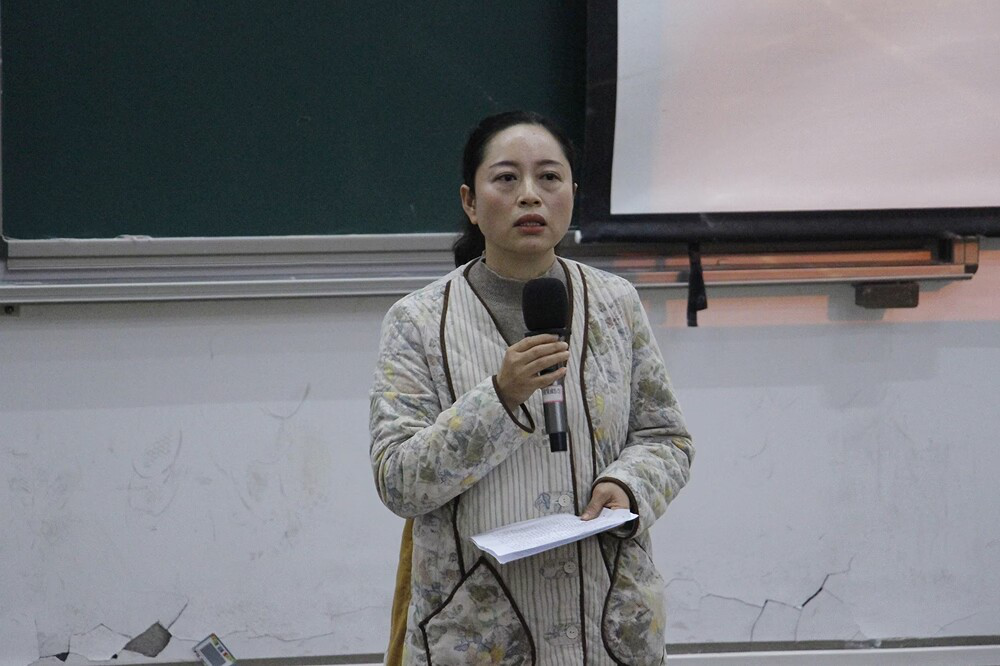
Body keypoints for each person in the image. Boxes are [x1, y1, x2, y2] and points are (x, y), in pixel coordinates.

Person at [370, 110, 694, 665]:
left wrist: (627, 486)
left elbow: (667, 438)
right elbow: (398, 481)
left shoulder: (615, 303)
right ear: (471, 202)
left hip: (608, 625)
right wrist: (499, 398)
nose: (529, 195)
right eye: (506, 178)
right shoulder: (418, 321)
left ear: (573, 195)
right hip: (480, 631)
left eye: (549, 177)